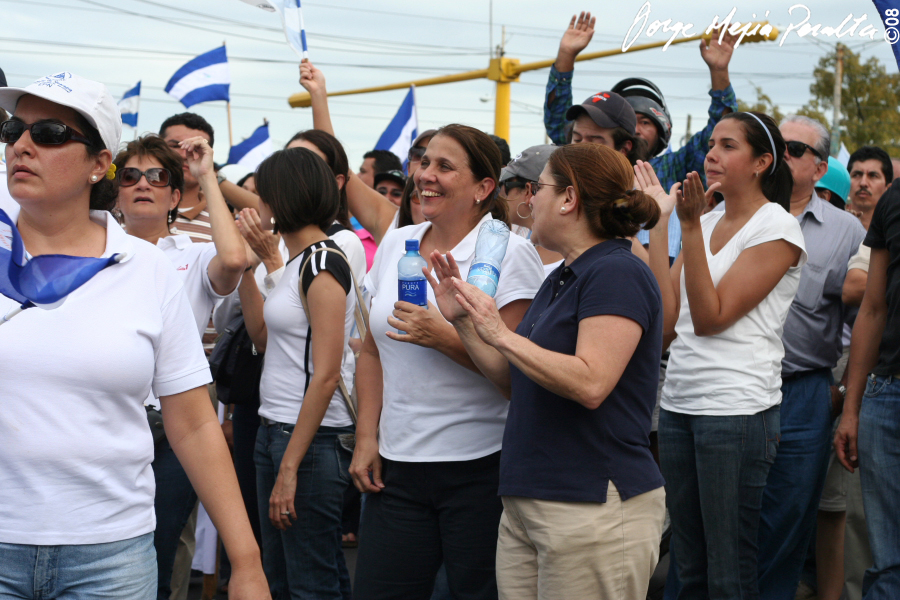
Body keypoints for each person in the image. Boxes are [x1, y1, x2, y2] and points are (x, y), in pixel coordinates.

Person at [0, 72, 268, 599]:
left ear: (100, 164)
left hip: (109, 558)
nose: (22, 145)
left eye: (50, 133)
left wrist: (248, 562)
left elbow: (192, 424)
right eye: (14, 130)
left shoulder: (146, 269)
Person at [425, 142, 666, 598]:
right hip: (532, 498)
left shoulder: (617, 271)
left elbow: (592, 381)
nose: (528, 200)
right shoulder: (562, 275)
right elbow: (513, 384)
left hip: (589, 501)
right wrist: (465, 322)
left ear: (569, 198)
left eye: (538, 188)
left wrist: (501, 333)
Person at [349, 124, 545, 599]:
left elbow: (519, 377)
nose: (425, 176)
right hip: (396, 468)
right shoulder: (400, 242)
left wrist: (446, 336)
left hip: (481, 470)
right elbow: (372, 349)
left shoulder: (511, 255)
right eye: (424, 162)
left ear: (483, 189)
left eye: (444, 166)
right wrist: (366, 437)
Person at [638, 111, 806, 599]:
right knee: (686, 564)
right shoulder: (703, 219)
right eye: (712, 143)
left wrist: (688, 228)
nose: (712, 153)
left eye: (728, 145)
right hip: (679, 406)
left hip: (735, 411)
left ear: (761, 162)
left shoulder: (777, 228)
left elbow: (711, 317)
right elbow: (666, 324)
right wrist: (663, 222)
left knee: (728, 569)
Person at [113, 134, 246, 600]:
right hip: (112, 419)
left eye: (157, 177)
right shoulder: (92, 255)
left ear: (174, 196)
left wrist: (206, 174)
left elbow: (234, 259)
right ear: (116, 193)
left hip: (177, 424)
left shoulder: (191, 254)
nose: (142, 184)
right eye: (130, 176)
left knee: (162, 545)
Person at [237, 147, 357, 600]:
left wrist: (289, 466)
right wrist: (247, 268)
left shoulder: (322, 263)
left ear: (280, 198)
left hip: (309, 441)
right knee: (286, 575)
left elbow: (326, 373)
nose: (256, 204)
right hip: (277, 430)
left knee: (311, 582)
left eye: (261, 194)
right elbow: (263, 337)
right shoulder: (293, 263)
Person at [753, 115, 866, 600]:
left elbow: (870, 314)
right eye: (775, 143)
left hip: (803, 392)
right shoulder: (738, 213)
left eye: (794, 148)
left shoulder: (848, 231)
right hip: (736, 385)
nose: (781, 152)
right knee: (730, 515)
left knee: (789, 522)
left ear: (820, 168)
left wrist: (842, 393)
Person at [545, 12, 738, 263]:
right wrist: (565, 58)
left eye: (644, 122)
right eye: (627, 121)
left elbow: (721, 129)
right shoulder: (579, 163)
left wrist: (719, 73)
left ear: (662, 131)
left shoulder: (670, 170)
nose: (634, 128)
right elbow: (561, 121)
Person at [834, 179, 900, 600]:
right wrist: (852, 408)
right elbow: (873, 308)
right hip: (888, 396)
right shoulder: (895, 199)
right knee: (890, 562)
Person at [846, 146, 893, 230]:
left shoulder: (894, 232)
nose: (863, 183)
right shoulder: (831, 225)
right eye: (856, 175)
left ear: (888, 188)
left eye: (873, 176)